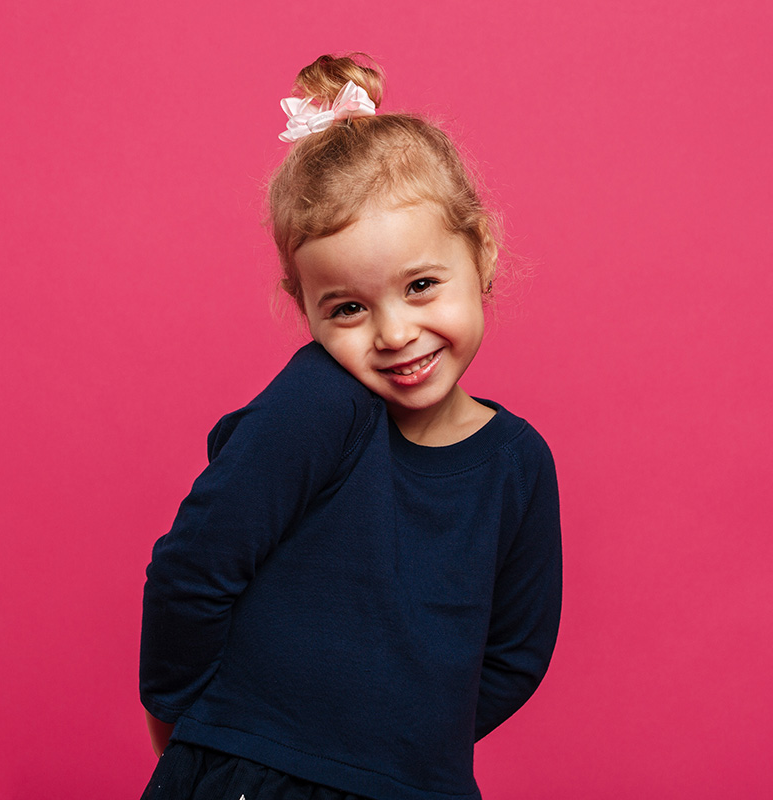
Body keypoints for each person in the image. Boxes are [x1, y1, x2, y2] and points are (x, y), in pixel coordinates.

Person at [140, 53, 562, 800]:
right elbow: (193, 570)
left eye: (421, 286)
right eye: (347, 308)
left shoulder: (517, 463)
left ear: (483, 255)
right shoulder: (322, 404)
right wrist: (188, 722)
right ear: (303, 306)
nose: (395, 333)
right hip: (253, 773)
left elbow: (514, 656)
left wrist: (391, 740)